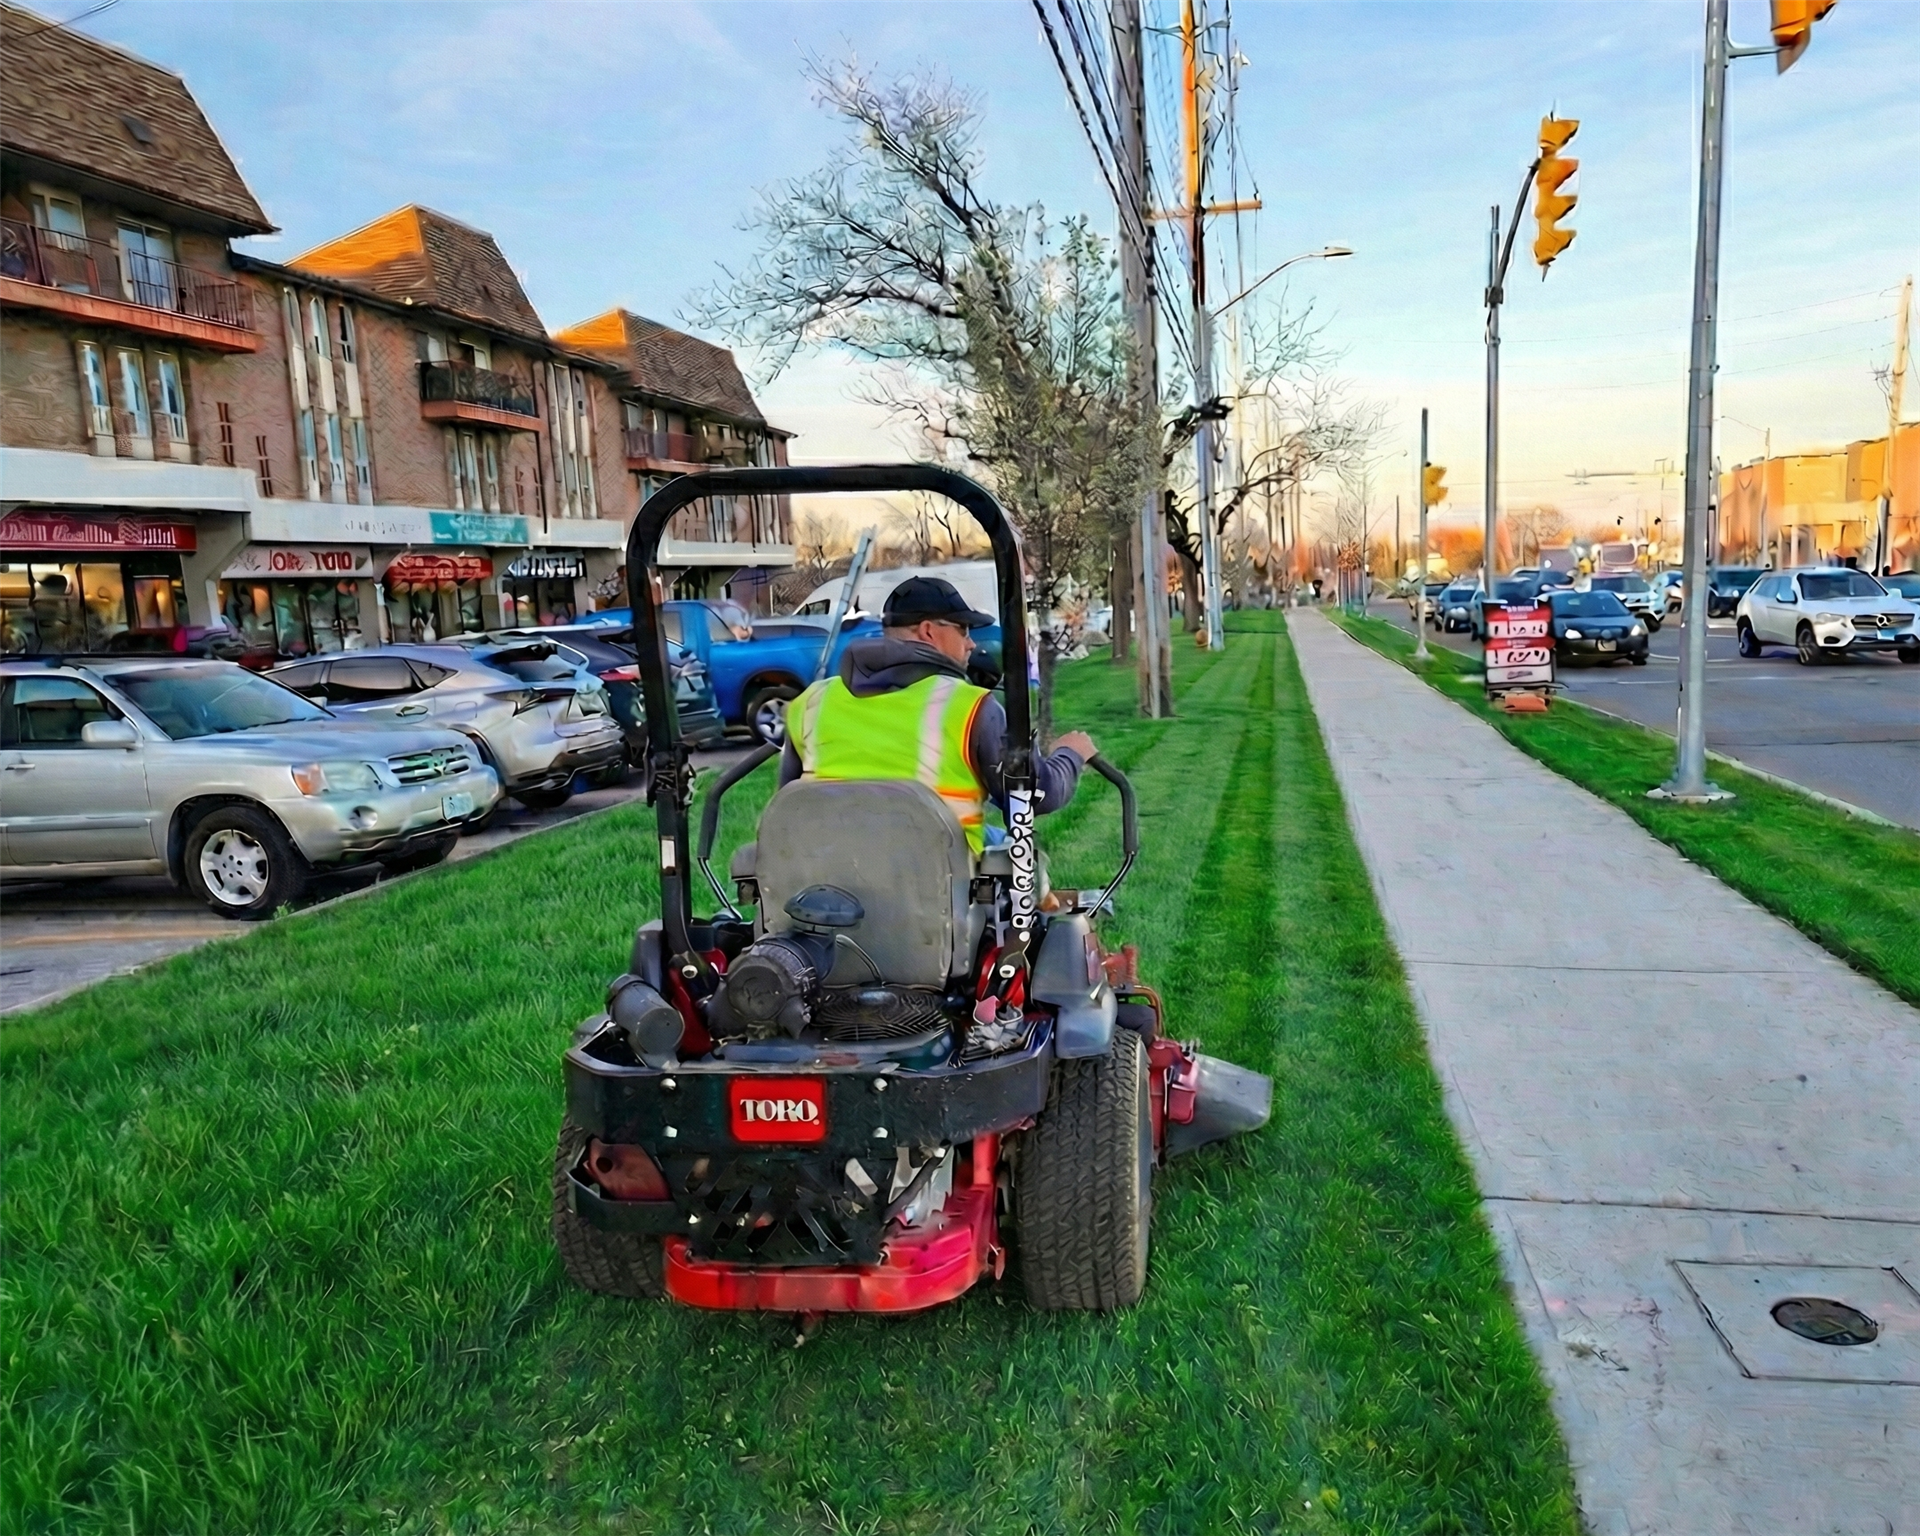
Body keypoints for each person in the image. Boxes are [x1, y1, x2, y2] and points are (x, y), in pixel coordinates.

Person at [779, 576, 1095, 853]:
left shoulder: (811, 703)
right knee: (1022, 859)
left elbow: (788, 807)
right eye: (963, 630)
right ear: (929, 631)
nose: (971, 644)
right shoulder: (971, 708)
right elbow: (1033, 796)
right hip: (939, 887)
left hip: (830, 879)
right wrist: (1070, 755)